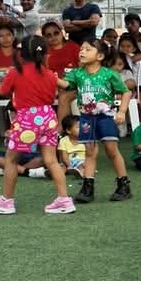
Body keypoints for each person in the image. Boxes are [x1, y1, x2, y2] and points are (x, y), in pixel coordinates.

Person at [0, 36, 75, 216]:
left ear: (21, 53)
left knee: (11, 159)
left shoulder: (15, 72)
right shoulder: (50, 74)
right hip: (48, 116)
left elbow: (4, 90)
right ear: (44, 53)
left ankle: (6, 201)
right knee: (51, 160)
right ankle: (64, 200)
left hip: (26, 118)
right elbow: (59, 90)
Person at [58, 39, 132, 203]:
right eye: (81, 49)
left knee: (112, 150)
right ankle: (88, 187)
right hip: (86, 118)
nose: (82, 52)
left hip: (105, 117)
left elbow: (126, 92)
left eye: (87, 49)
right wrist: (51, 78)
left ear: (100, 56)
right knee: (90, 152)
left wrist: (122, 111)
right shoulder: (77, 73)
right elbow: (65, 84)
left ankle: (123, 184)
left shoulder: (109, 74)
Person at [114, 32, 141, 107]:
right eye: (122, 46)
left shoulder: (134, 57)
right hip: (125, 83)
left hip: (139, 84)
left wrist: (129, 57)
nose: (125, 48)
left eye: (128, 46)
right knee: (121, 98)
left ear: (134, 48)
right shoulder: (117, 57)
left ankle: (138, 114)